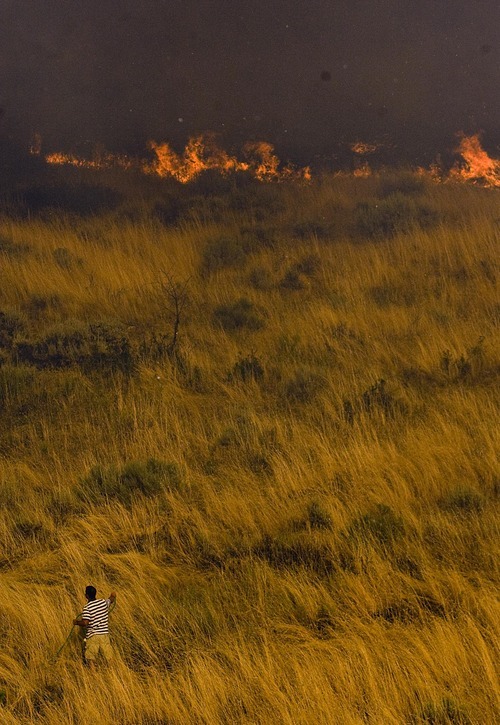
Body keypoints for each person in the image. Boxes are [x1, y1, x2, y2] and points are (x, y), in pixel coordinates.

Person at [74, 585, 116, 665]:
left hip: (93, 635)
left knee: (91, 658)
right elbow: (111, 599)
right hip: (104, 634)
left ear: (86, 596)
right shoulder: (103, 602)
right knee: (108, 656)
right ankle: (112, 671)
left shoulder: (87, 608)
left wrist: (76, 622)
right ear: (95, 593)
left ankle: (93, 674)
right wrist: (113, 594)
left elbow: (85, 623)